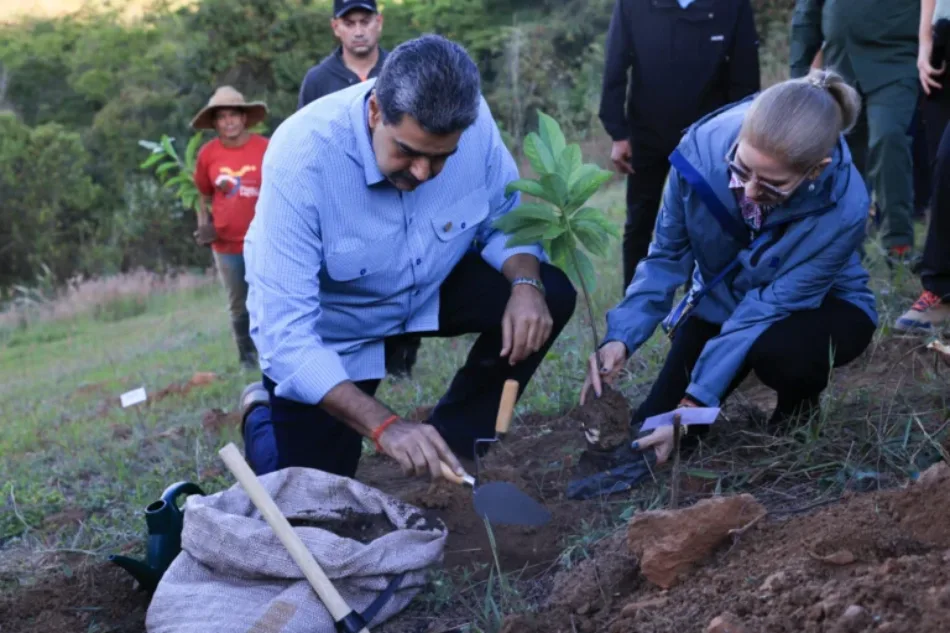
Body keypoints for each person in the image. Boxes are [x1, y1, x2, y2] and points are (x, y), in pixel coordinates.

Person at [238, 34, 577, 482]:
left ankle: (457, 446)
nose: (422, 173)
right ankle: (259, 416)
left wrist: (526, 284)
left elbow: (504, 221)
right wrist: (386, 426)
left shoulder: (473, 124)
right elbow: (285, 337)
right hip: (340, 330)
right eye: (408, 151)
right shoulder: (301, 159)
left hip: (429, 290)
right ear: (376, 111)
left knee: (548, 293)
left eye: (441, 159)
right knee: (311, 496)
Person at [581, 69, 879, 464]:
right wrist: (620, 337)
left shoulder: (845, 207)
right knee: (654, 431)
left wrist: (693, 402)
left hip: (815, 308)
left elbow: (765, 310)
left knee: (782, 353)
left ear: (815, 171)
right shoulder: (698, 155)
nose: (749, 192)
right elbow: (666, 256)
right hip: (723, 299)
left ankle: (797, 409)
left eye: (771, 186)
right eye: (741, 170)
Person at [599, 0, 761, 292]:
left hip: (710, 140)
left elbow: (745, 75)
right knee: (640, 220)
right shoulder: (632, 5)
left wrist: (743, 138)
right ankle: (633, 297)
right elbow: (615, 64)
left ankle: (700, 302)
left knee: (710, 222)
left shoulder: (732, 5)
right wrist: (618, 133)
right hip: (646, 133)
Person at [790, 0, 921, 263]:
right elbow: (808, 11)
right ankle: (847, 245)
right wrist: (798, 74)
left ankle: (898, 242)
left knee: (888, 137)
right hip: (841, 64)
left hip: (896, 59)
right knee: (842, 154)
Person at [190, 86, 269, 368]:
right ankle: (247, 358)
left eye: (234, 115)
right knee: (239, 302)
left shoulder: (265, 147)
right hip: (226, 243)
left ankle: (276, 352)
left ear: (244, 118)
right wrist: (204, 225)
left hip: (265, 240)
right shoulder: (208, 154)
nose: (229, 122)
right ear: (214, 123)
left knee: (271, 297)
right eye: (222, 117)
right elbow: (202, 192)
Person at [896, 0, 950, 331]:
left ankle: (941, 288)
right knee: (938, 168)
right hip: (943, 35)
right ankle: (944, 297)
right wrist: (925, 40)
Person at [297, 0, 388, 110]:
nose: (358, 32)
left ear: (379, 22)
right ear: (335, 27)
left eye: (365, 22)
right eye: (349, 24)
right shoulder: (317, 80)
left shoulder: (401, 70)